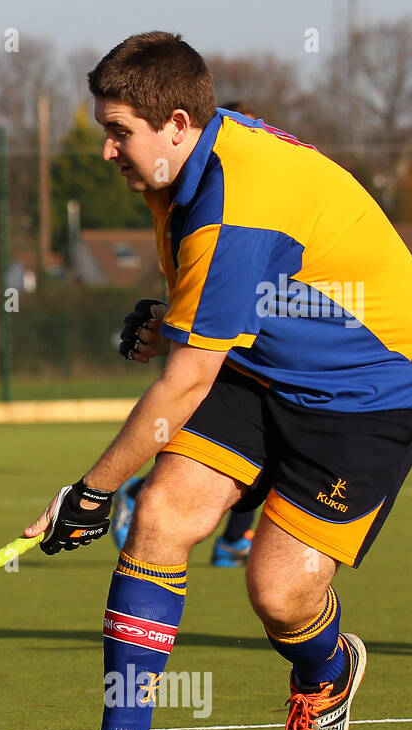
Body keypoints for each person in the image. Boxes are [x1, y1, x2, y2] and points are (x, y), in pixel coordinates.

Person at [26, 32, 412, 730]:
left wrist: (90, 492)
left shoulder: (231, 203)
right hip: (262, 369)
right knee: (157, 517)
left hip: (370, 390)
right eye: (105, 130)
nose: (106, 150)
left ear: (179, 123)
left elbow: (184, 385)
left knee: (278, 591)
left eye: (119, 131)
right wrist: (172, 322)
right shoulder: (185, 169)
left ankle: (326, 672)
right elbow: (231, 305)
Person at [109, 98, 264, 567]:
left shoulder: (245, 197)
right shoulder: (202, 201)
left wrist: (172, 327)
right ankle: (143, 490)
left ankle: (231, 537)